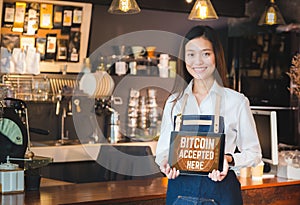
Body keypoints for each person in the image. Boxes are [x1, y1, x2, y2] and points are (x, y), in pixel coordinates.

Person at [155, 25, 262, 205]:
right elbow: (162, 151)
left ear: (216, 57)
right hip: (179, 195)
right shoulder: (175, 102)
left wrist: (227, 159)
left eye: (205, 54)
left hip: (222, 194)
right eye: (191, 54)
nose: (198, 61)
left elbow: (254, 153)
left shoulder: (236, 101)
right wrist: (166, 162)